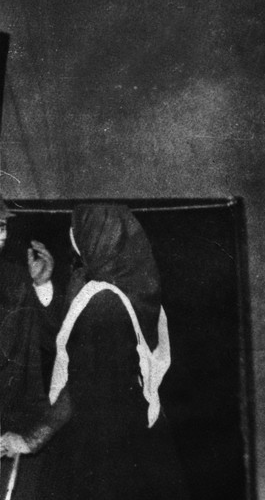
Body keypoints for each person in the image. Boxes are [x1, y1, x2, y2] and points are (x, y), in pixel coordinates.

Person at [0, 204, 188, 500]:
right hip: (129, 439)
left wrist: (31, 440)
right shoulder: (135, 288)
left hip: (102, 448)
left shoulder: (102, 301)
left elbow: (78, 375)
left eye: (2, 228)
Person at [0, 197, 55, 499]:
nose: (1, 236)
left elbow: (50, 343)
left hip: (11, 431)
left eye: (2, 226)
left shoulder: (18, 278)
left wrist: (42, 287)